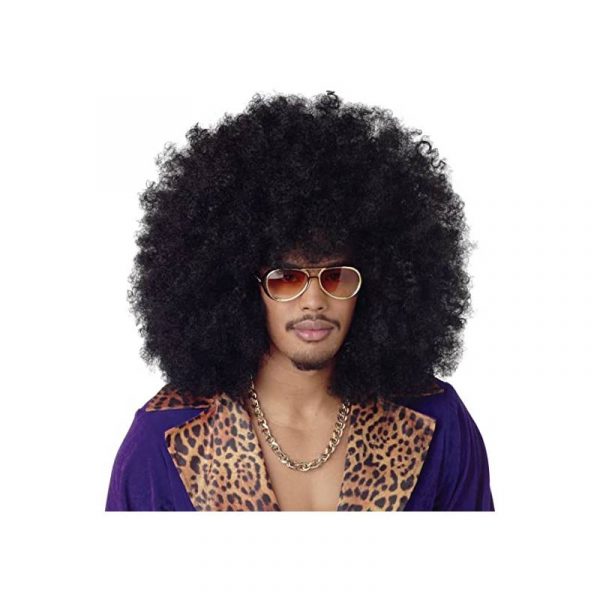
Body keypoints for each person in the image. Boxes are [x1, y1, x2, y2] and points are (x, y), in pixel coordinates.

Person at [105, 90, 495, 511]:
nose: (314, 301)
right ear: (241, 286)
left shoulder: (437, 421)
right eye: (286, 278)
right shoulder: (163, 436)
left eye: (336, 276)